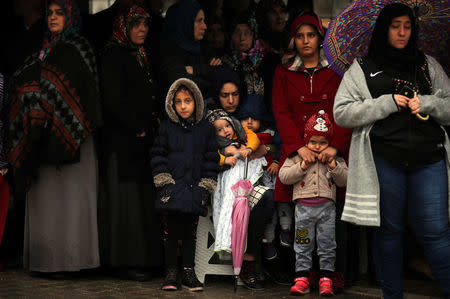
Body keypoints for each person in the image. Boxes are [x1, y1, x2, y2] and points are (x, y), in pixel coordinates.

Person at [333, 3, 450, 298]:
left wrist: (429, 103)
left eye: (407, 26)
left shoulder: (428, 65)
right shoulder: (363, 68)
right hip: (384, 161)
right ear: (384, 28)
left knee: (436, 234)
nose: (402, 32)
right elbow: (342, 112)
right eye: (395, 25)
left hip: (429, 159)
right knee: (389, 232)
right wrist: (385, 103)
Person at [6, 0, 102, 275]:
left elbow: (85, 94)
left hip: (74, 138)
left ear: (70, 17)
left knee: (72, 202)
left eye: (60, 13)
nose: (53, 18)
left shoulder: (80, 49)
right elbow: (23, 83)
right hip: (41, 142)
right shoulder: (41, 52)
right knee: (47, 202)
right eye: (50, 13)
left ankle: (76, 262)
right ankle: (46, 262)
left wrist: (49, 104)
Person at [272, 12, 352, 285]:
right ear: (293, 40)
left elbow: (345, 108)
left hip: (331, 151)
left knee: (334, 211)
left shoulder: (337, 70)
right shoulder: (283, 70)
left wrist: (337, 147)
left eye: (311, 35)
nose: (306, 41)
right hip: (299, 153)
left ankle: (333, 271)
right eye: (300, 35)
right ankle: (304, 272)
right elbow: (280, 111)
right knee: (302, 213)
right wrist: (297, 148)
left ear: (320, 38)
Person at [98, 5, 163, 281]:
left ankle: (146, 261)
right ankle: (124, 262)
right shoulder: (114, 54)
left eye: (145, 25)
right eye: (136, 24)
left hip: (141, 142)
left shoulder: (141, 54)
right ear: (125, 26)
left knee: (141, 202)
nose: (142, 29)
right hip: (122, 142)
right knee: (126, 203)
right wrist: (135, 125)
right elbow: (113, 99)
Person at [151, 78, 218, 292]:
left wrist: (205, 185)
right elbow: (158, 155)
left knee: (190, 233)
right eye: (178, 101)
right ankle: (171, 272)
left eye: (187, 100)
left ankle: (189, 272)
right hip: (172, 190)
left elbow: (210, 159)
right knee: (171, 233)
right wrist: (164, 181)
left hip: (194, 190)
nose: (183, 106)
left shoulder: (205, 129)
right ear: (171, 103)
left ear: (197, 101)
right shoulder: (167, 128)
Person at [279, 110, 348, 296]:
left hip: (327, 210)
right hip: (303, 211)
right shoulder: (297, 157)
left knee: (327, 244)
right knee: (302, 244)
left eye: (323, 142)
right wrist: (301, 166)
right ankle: (302, 278)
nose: (318, 147)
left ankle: (326, 278)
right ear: (305, 141)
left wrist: (334, 166)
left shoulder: (335, 159)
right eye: (313, 142)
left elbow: (345, 180)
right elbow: (284, 176)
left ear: (330, 143)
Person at [159, 0, 221, 95]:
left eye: (204, 21)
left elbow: (223, 73)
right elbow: (186, 84)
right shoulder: (169, 53)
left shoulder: (203, 48)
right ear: (184, 22)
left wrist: (193, 70)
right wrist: (209, 71)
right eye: (199, 21)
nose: (204, 26)